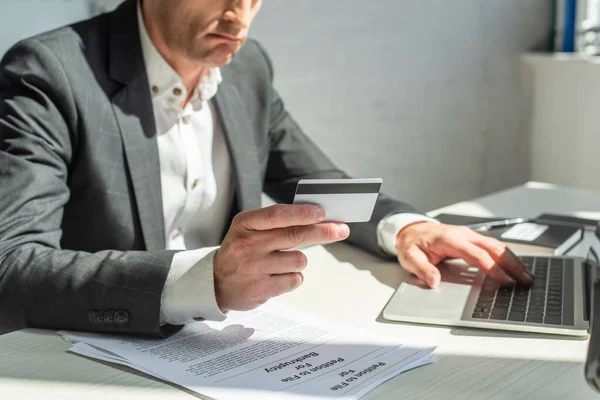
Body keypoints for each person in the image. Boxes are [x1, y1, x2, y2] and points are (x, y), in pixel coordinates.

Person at [0, 0, 532, 337]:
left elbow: (314, 182)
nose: (241, 16)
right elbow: (12, 265)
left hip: (225, 345)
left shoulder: (247, 67)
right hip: (86, 354)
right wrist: (201, 279)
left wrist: (408, 228)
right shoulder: (49, 72)